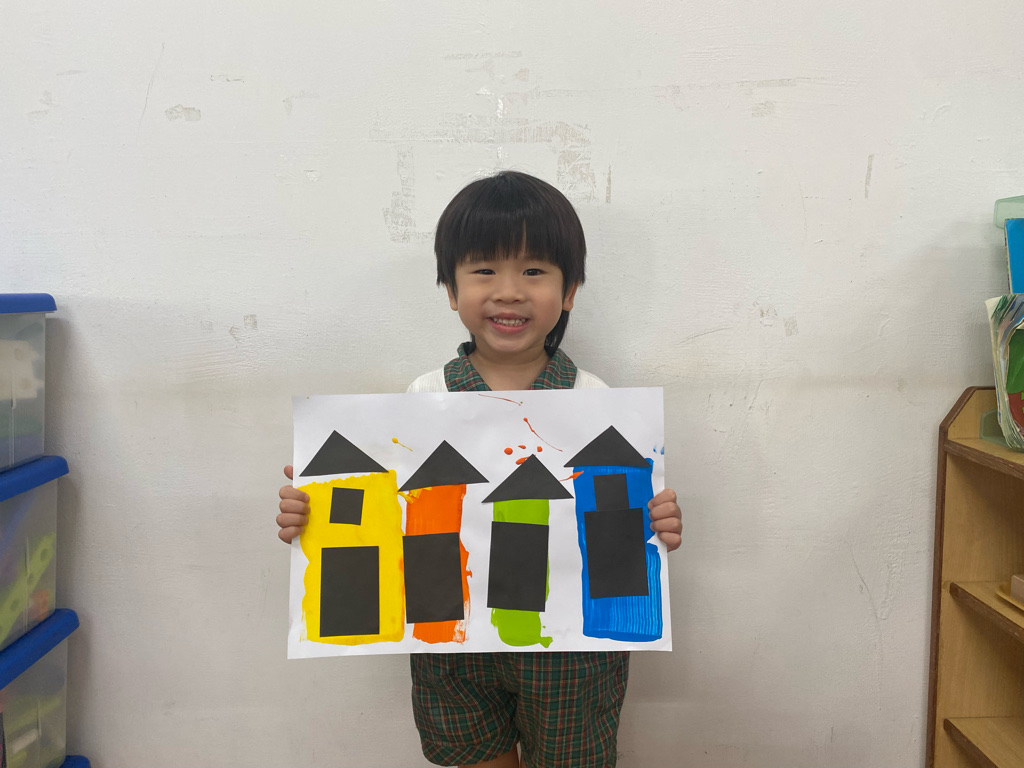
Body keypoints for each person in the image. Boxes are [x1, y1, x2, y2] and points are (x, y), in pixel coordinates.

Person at [276, 170, 683, 768]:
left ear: (569, 291)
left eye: (534, 271)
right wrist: (310, 515)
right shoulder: (421, 398)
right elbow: (382, 510)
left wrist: (657, 524)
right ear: (451, 289)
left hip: (572, 653)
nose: (509, 292)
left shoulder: (595, 401)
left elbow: (621, 518)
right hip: (452, 643)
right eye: (485, 270)